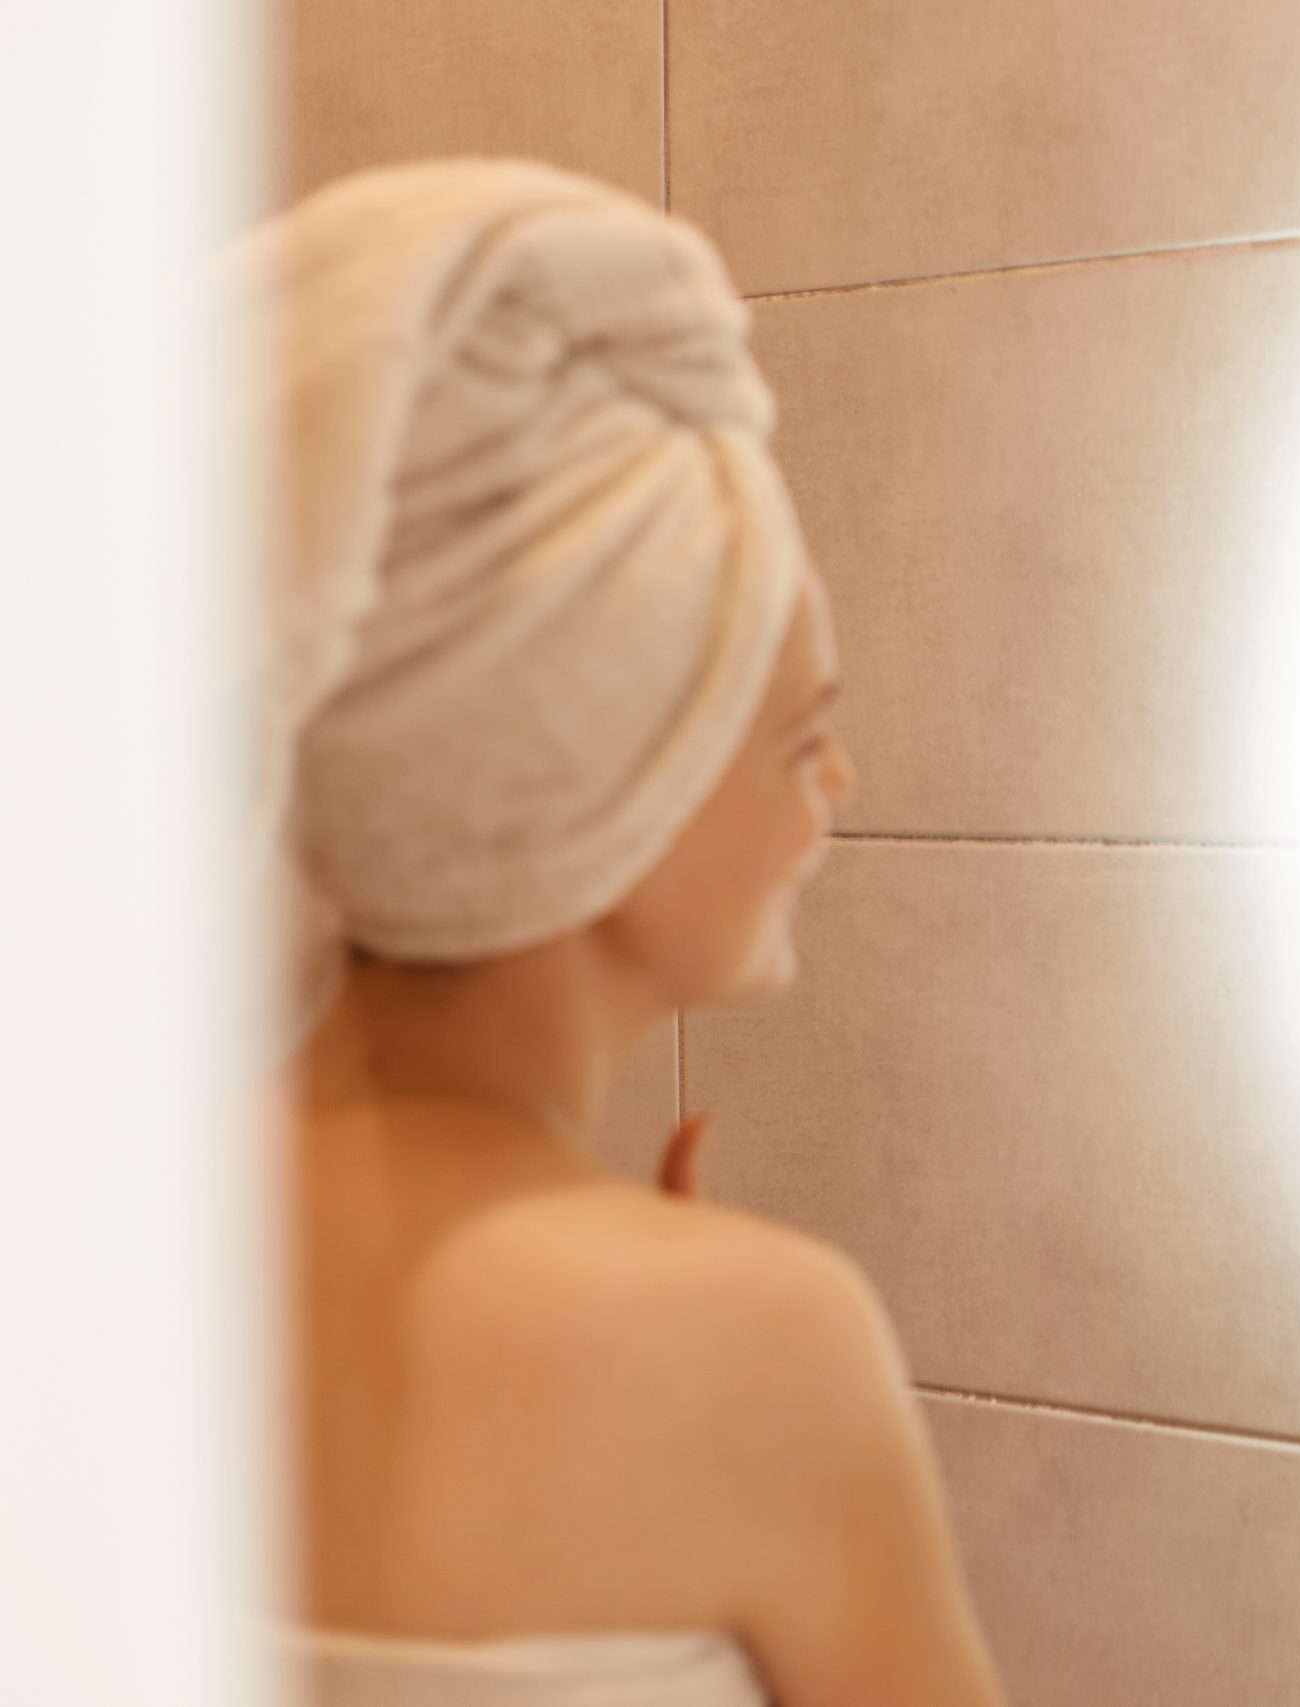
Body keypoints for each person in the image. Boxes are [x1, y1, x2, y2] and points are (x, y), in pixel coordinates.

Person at [244, 160, 1004, 1703]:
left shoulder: (85, 1241)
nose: (841, 784)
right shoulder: (766, 1346)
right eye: (799, 735)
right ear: (605, 784)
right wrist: (703, 1321)